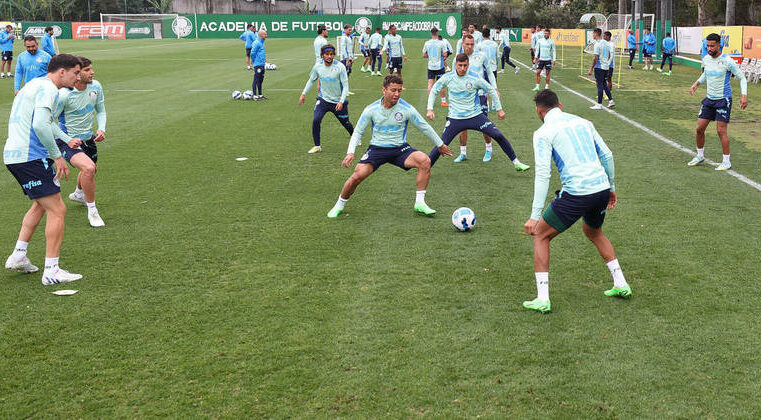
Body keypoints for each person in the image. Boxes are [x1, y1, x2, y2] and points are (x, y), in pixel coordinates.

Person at [522, 89, 629, 313]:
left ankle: (542, 299)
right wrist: (611, 187)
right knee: (593, 232)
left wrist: (534, 216)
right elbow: (607, 155)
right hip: (600, 188)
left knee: (541, 235)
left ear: (539, 112)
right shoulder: (584, 121)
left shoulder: (543, 133)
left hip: (577, 193)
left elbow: (543, 174)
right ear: (560, 106)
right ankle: (621, 283)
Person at [3, 54, 82, 285]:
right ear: (61, 72)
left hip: (15, 155)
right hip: (29, 157)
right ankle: (52, 271)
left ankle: (18, 255)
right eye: (75, 73)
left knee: (40, 204)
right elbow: (39, 124)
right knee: (57, 209)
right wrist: (58, 156)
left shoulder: (35, 85)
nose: (78, 77)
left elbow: (45, 122)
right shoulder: (49, 89)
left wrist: (66, 140)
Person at [327, 75, 452, 218]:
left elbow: (424, 127)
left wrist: (440, 145)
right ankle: (339, 205)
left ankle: (420, 203)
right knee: (357, 176)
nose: (397, 94)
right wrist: (350, 153)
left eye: (399, 90)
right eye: (393, 90)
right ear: (384, 90)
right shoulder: (371, 109)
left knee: (425, 160)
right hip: (376, 149)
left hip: (400, 149)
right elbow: (357, 132)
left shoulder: (406, 109)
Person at [426, 52, 530, 172]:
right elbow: (434, 90)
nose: (462, 68)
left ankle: (517, 163)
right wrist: (430, 109)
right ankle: (426, 167)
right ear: (455, 64)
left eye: (465, 65)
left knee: (498, 135)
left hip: (475, 116)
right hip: (455, 118)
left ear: (468, 64)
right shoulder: (448, 77)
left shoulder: (475, 78)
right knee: (441, 145)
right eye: (460, 65)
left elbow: (491, 90)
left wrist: (499, 109)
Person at [50, 56, 106, 227]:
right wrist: (68, 139)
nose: (92, 72)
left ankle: (78, 193)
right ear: (77, 74)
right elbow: (49, 121)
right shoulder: (63, 95)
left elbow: (101, 110)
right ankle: (93, 211)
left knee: (91, 170)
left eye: (91, 68)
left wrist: (101, 128)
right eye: (87, 70)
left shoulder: (96, 86)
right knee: (88, 168)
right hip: (66, 141)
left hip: (88, 139)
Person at [688, 33, 748, 171]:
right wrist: (696, 83)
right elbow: (706, 73)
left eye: (712, 45)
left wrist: (743, 95)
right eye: (707, 45)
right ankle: (700, 155)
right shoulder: (706, 59)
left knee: (721, 131)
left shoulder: (728, 61)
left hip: (723, 100)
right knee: (699, 129)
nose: (709, 48)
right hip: (709, 100)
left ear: (719, 45)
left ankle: (726, 161)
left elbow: (742, 78)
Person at [450, 35, 499, 163]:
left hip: (480, 95)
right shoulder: (457, 59)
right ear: (462, 45)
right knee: (462, 125)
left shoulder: (481, 56)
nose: (470, 46)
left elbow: (489, 73)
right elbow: (452, 77)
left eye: (472, 44)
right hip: (463, 97)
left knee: (484, 124)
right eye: (467, 44)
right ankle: (463, 153)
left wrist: (495, 88)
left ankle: (489, 149)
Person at [299, 44, 354, 154]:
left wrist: (341, 101)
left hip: (338, 102)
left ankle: (354, 136)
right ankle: (317, 146)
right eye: (327, 54)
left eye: (331, 54)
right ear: (322, 55)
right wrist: (303, 93)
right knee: (316, 120)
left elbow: (345, 86)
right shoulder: (317, 67)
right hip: (323, 100)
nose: (329, 56)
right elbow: (311, 80)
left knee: (346, 123)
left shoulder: (340, 67)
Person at [588, 29, 614, 110]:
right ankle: (611, 101)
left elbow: (596, 58)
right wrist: (606, 62)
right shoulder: (606, 43)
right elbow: (609, 54)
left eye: (593, 33)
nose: (592, 35)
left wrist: (591, 68)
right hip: (606, 67)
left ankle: (599, 104)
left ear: (596, 34)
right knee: (604, 84)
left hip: (599, 67)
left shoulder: (597, 44)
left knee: (599, 85)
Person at [423, 28, 448, 107]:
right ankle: (443, 102)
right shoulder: (441, 43)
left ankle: (430, 102)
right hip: (439, 66)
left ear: (431, 33)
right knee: (441, 84)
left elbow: (424, 55)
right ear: (437, 33)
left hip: (430, 66)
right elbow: (445, 54)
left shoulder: (427, 43)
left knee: (430, 84)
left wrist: (429, 56)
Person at [249, 29, 267, 101]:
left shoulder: (261, 42)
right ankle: (254, 95)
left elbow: (261, 53)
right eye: (265, 34)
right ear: (260, 35)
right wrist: (253, 61)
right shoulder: (257, 43)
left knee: (260, 80)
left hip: (262, 64)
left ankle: (260, 94)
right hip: (258, 64)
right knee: (256, 79)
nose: (266, 36)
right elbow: (252, 53)